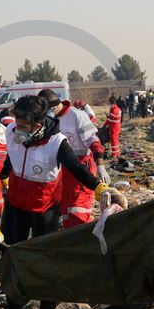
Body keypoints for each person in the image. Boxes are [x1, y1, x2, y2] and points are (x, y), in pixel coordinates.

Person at [0, 96, 118, 309]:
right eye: (16, 123)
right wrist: (3, 176)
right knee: (12, 256)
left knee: (48, 262)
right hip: (16, 206)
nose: (17, 129)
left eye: (23, 126)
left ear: (37, 125)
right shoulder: (12, 132)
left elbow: (76, 168)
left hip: (44, 209)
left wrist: (99, 188)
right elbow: (10, 157)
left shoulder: (56, 142)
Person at [38, 89, 110, 229]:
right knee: (66, 213)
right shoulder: (49, 120)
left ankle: (85, 240)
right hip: (62, 174)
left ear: (53, 107)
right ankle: (71, 240)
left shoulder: (77, 116)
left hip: (81, 170)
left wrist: (100, 166)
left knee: (78, 211)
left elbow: (94, 141)